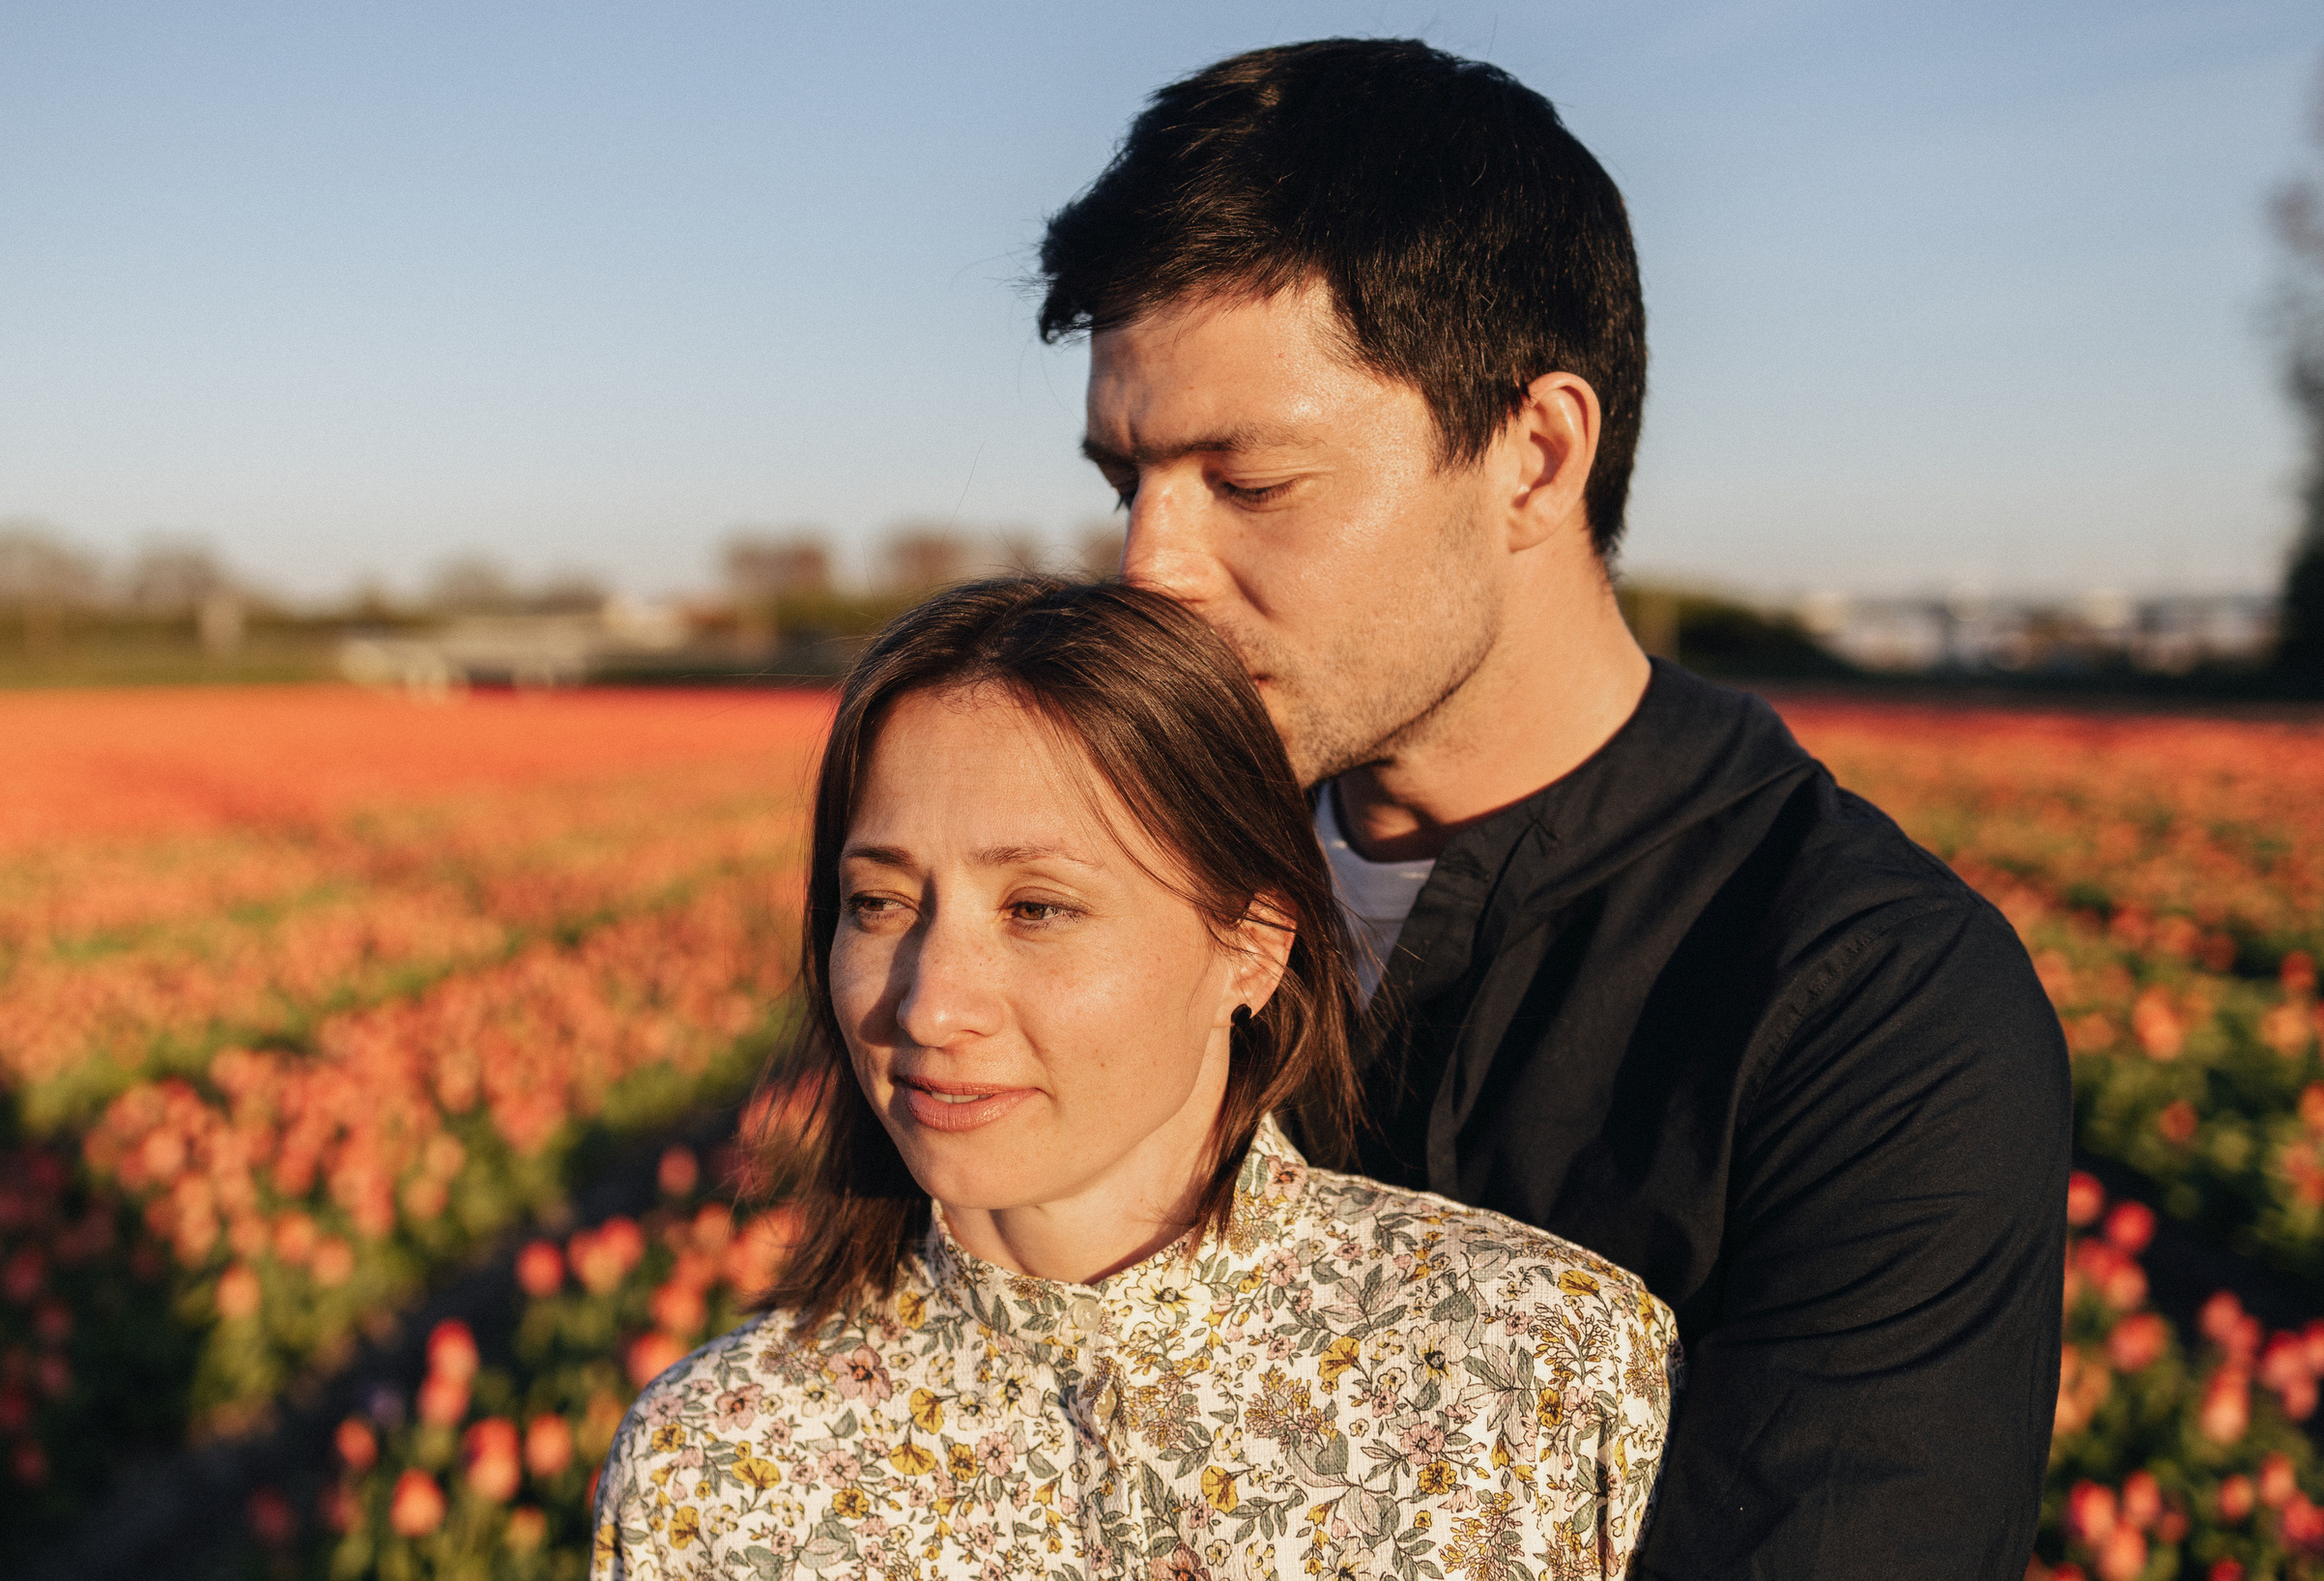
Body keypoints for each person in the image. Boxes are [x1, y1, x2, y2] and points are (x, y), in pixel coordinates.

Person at [1036, 40, 2070, 1577]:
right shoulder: (1121, 887)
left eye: (1247, 482)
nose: (1150, 570)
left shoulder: (1863, 1007)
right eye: (1131, 480)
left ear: (1535, 454)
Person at [589, 578, 1678, 1580]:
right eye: (878, 904)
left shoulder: (1538, 1373)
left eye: (1037, 909)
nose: (926, 1005)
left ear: (1250, 943)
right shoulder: (721, 1464)